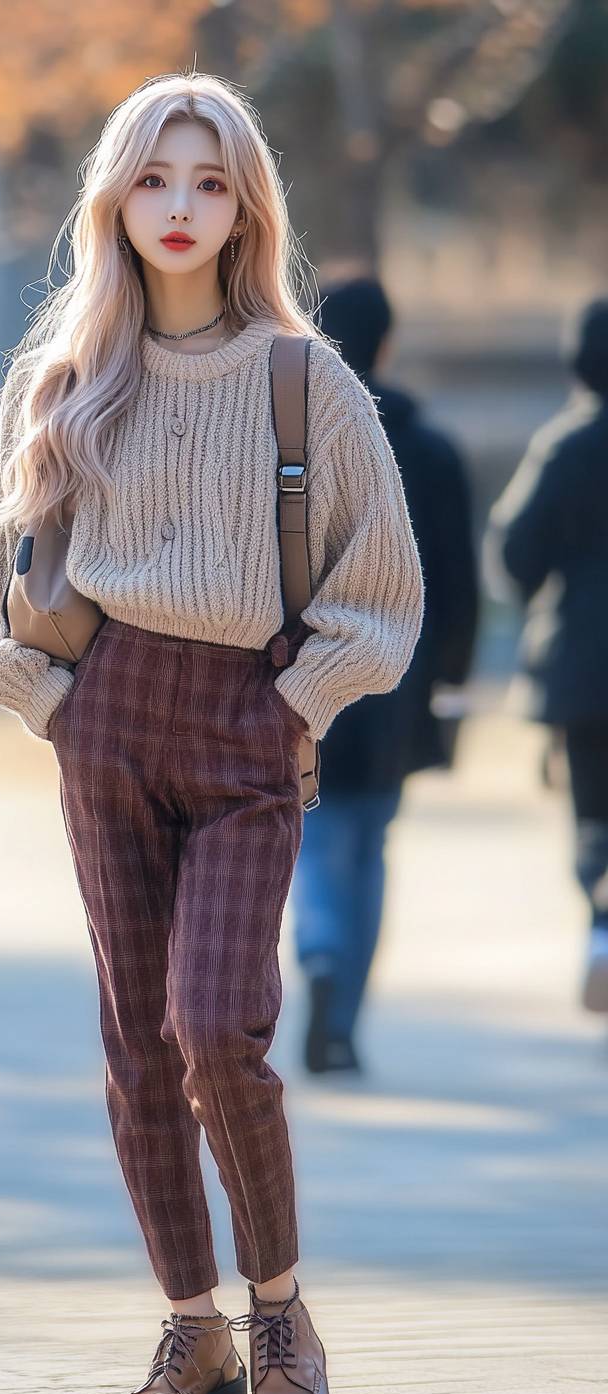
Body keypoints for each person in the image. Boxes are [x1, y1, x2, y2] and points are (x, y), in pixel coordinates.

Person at [0, 73, 423, 1394]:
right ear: (117, 197)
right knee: (131, 1044)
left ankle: (280, 1315)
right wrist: (42, 691)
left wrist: (296, 699)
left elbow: (382, 589)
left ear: (245, 210)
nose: (180, 205)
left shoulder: (304, 382)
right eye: (156, 178)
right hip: (104, 719)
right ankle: (192, 1328)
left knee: (215, 1023)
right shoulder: (67, 379)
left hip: (245, 724)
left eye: (210, 181)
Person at [292, 277, 479, 1074]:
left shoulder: (297, 439)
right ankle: (344, 1020)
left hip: (309, 671)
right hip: (399, 678)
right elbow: (461, 584)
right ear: (389, 344)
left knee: (314, 838)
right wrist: (452, 679)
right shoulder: (433, 452)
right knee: (369, 843)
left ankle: (321, 960)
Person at [485, 297, 608, 1018]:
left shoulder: (565, 447)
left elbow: (514, 554)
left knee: (594, 815)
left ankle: (599, 933)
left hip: (585, 671)